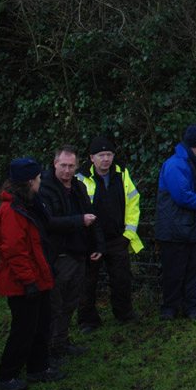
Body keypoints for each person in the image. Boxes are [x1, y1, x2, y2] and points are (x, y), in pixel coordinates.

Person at [0, 157, 66, 390]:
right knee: (23, 330)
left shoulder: (28, 205)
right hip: (23, 282)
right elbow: (14, 251)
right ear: (28, 181)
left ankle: (38, 367)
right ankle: (7, 375)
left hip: (38, 276)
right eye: (37, 178)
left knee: (40, 325)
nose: (40, 181)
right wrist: (29, 281)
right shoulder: (12, 211)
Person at [39, 145, 104, 363]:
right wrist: (78, 221)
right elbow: (47, 223)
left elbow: (91, 215)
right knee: (54, 306)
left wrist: (97, 245)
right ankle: (48, 350)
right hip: (59, 256)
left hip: (79, 254)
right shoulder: (45, 189)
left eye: (71, 166)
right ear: (55, 163)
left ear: (77, 166)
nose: (67, 170)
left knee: (70, 303)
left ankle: (61, 342)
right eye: (63, 165)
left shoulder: (78, 187)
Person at [76, 137, 143, 332]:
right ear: (92, 157)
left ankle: (124, 313)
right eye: (101, 155)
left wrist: (127, 236)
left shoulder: (122, 174)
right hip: (91, 241)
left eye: (109, 155)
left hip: (117, 238)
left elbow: (133, 203)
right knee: (88, 282)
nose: (106, 159)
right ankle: (87, 320)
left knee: (122, 278)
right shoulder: (80, 178)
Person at [155, 125, 196, 321]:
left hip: (191, 227)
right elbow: (182, 196)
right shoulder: (175, 165)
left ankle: (191, 309)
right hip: (174, 229)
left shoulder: (193, 163)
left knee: (192, 271)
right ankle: (170, 310)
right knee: (174, 272)